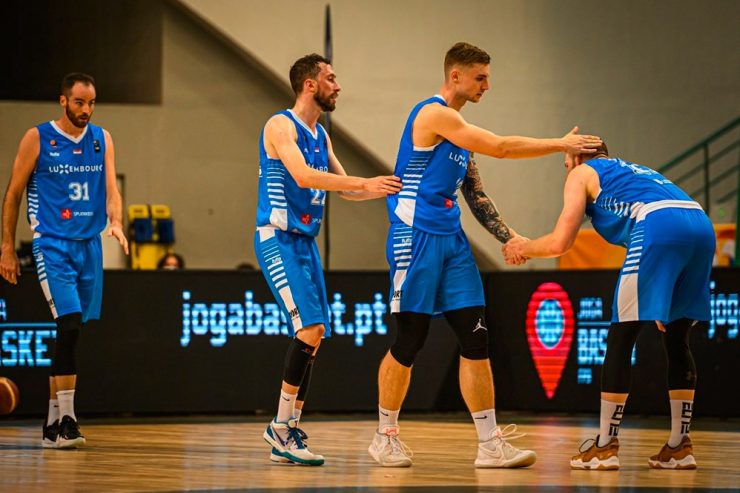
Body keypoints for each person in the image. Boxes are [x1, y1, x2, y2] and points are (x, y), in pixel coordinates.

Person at [370, 41, 603, 469]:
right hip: (414, 236)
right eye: (480, 77)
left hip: (451, 239)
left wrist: (513, 239)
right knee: (411, 339)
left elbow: (475, 195)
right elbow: (502, 146)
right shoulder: (433, 114)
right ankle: (385, 435)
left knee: (476, 338)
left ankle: (489, 443)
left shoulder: (459, 134)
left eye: (488, 77)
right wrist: (559, 143)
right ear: (455, 75)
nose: (487, 85)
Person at [503, 143, 714, 470]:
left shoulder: (581, 173)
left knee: (621, 335)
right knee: (675, 338)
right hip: (700, 223)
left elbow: (561, 243)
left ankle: (604, 446)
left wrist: (525, 247)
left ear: (575, 156)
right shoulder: (633, 170)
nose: (566, 169)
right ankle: (679, 445)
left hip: (658, 224)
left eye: (565, 162)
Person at [254, 53, 402, 466]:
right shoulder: (279, 125)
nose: (338, 85)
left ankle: (289, 431)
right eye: (331, 78)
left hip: (305, 243)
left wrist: (387, 187)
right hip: (277, 237)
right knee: (310, 328)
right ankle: (281, 428)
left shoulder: (322, 134)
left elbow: (348, 190)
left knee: (315, 338)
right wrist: (362, 181)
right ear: (309, 84)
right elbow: (303, 176)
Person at [0, 73, 129, 448]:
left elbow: (111, 189)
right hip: (52, 245)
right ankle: (68, 420)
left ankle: (52, 424)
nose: (86, 110)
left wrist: (117, 221)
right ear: (62, 101)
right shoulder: (37, 137)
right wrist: (7, 248)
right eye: (78, 102)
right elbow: (12, 194)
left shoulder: (102, 139)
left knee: (72, 332)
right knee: (68, 324)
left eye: (91, 103)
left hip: (88, 245)